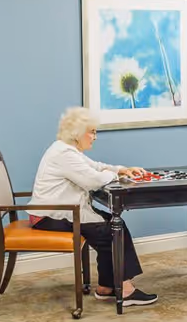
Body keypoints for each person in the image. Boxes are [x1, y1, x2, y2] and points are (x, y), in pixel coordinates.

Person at [28, 107, 159, 307]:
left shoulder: (66, 149)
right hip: (51, 216)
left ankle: (106, 287)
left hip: (58, 212)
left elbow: (95, 166)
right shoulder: (64, 154)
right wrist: (118, 176)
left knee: (114, 224)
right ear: (77, 133)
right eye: (92, 132)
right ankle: (125, 290)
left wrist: (121, 169)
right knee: (112, 231)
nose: (95, 137)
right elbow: (93, 180)